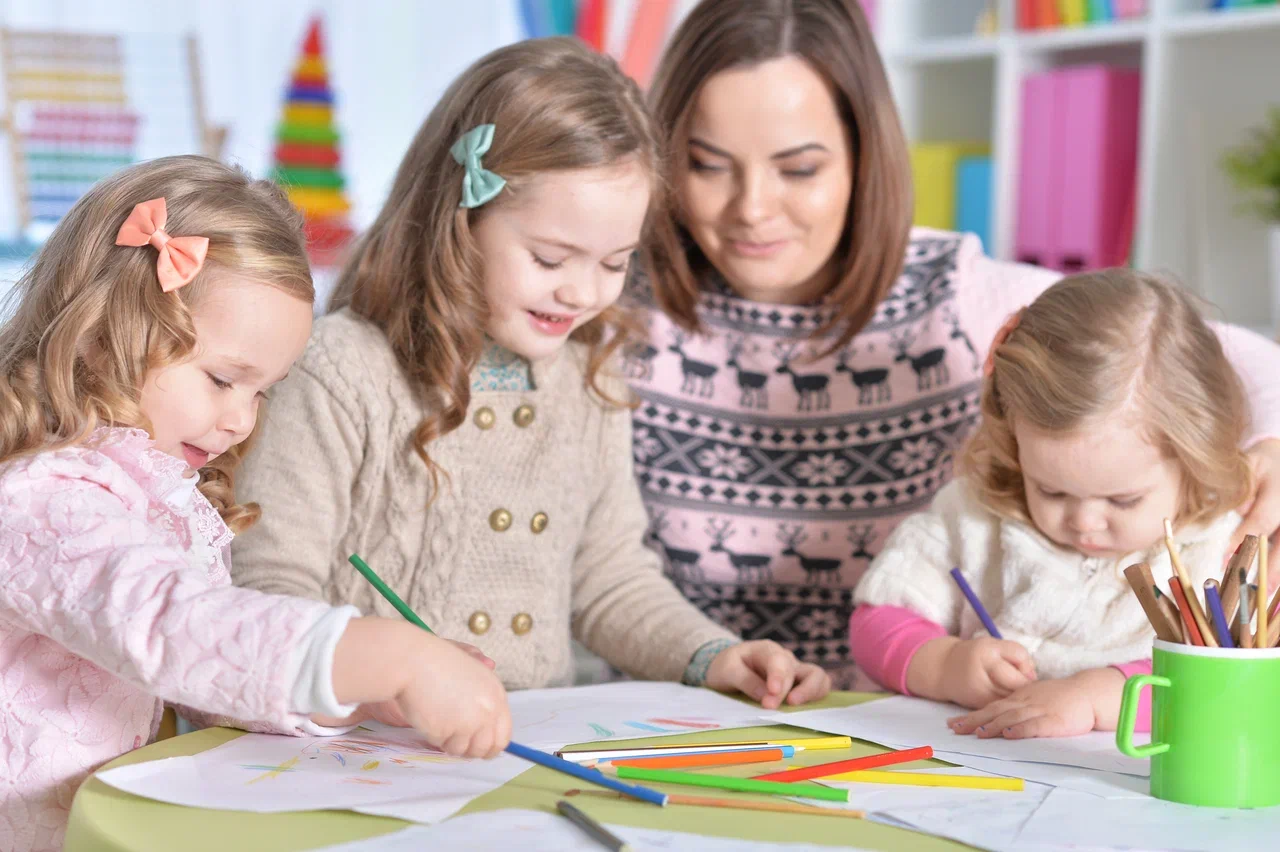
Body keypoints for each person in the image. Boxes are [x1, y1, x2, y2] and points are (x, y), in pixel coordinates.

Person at [626, 0, 1280, 688]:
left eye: (799, 170)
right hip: (681, 711)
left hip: (903, 720)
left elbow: (1192, 350)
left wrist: (1269, 449)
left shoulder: (956, 295)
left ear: (863, 157)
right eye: (708, 165)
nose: (752, 208)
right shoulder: (615, 300)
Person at [231, 38, 831, 709]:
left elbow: (611, 582)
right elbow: (268, 587)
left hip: (527, 742)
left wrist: (713, 654)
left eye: (615, 263)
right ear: (460, 221)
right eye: (550, 259)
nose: (582, 292)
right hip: (361, 745)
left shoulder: (591, 382)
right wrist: (379, 679)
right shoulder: (338, 372)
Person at [0, 156, 511, 852]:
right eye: (222, 379)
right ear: (104, 334)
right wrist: (388, 653)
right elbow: (172, 628)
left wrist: (353, 692)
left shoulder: (151, 494)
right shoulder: (40, 498)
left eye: (262, 391)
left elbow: (205, 674)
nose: (242, 421)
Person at [852, 269, 1246, 737]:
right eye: (1051, 491)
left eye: (1123, 500)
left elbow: (1235, 687)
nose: (1085, 522)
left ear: (1196, 459)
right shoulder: (973, 515)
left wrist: (1100, 699)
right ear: (1013, 441)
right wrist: (944, 665)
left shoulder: (1221, 550)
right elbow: (877, 620)